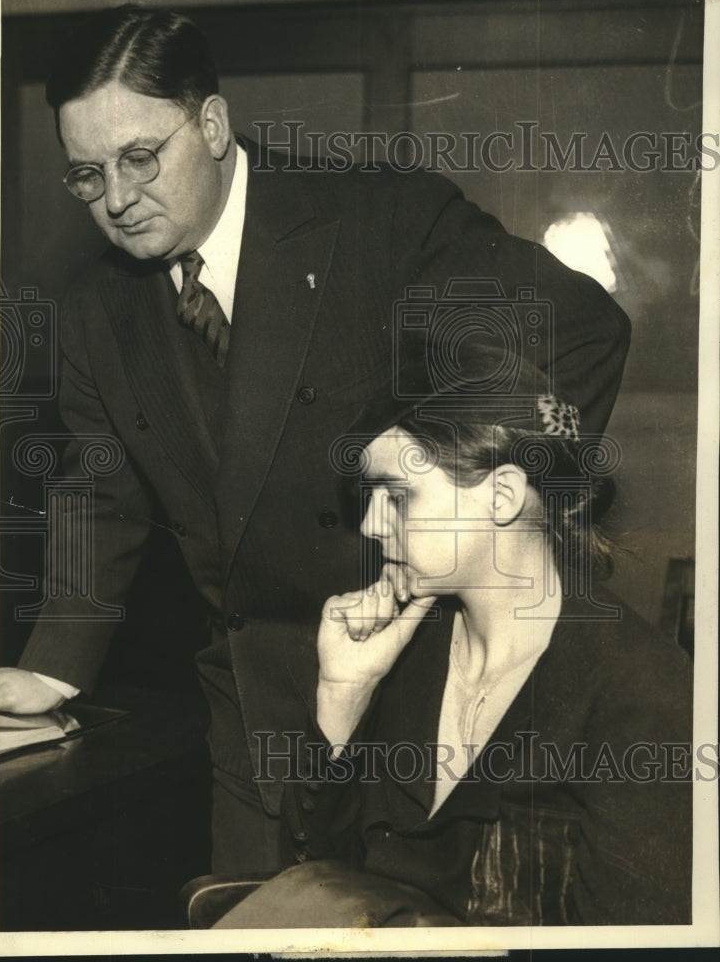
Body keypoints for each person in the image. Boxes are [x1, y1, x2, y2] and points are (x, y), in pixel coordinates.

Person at [0, 5, 631, 878]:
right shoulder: (94, 310)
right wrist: (53, 668)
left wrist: (493, 510)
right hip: (253, 718)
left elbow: (582, 329)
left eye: (140, 158)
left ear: (212, 125)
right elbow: (101, 486)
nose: (115, 198)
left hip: (415, 693)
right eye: (85, 175)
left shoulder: (377, 223)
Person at [238, 345, 691, 928]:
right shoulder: (406, 651)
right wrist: (342, 694)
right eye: (368, 498)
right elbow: (320, 886)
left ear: (502, 495)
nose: (372, 524)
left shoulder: (644, 695)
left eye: (396, 496)